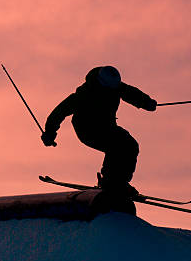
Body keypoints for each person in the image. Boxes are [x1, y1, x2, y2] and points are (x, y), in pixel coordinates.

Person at [41, 66, 157, 197]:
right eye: (108, 89)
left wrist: (147, 103)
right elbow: (59, 112)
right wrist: (50, 132)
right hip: (87, 129)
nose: (111, 91)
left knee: (130, 145)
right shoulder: (84, 94)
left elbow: (131, 93)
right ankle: (110, 181)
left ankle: (120, 182)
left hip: (107, 126)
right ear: (101, 83)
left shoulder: (115, 87)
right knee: (115, 145)